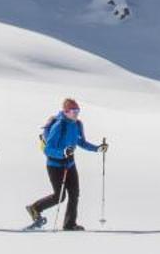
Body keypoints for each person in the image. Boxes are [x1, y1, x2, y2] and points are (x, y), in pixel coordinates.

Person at [26, 97, 105, 231]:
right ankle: (35, 208)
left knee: (74, 193)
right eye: (73, 111)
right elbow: (48, 149)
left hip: (69, 163)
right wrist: (63, 153)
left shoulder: (77, 124)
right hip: (55, 165)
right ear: (66, 111)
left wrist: (97, 148)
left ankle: (69, 224)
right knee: (60, 196)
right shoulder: (59, 125)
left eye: (77, 111)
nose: (76, 114)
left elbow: (81, 142)